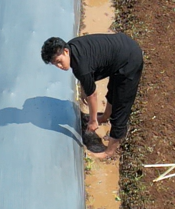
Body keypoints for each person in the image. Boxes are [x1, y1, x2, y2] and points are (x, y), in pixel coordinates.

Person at [41, 32, 141, 160]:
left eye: (59, 62)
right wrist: (84, 89)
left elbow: (93, 94)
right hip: (122, 49)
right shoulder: (73, 46)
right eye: (55, 64)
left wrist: (93, 121)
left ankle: (109, 152)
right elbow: (89, 71)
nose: (59, 66)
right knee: (113, 89)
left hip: (130, 60)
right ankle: (105, 117)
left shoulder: (80, 67)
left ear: (65, 51)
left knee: (121, 106)